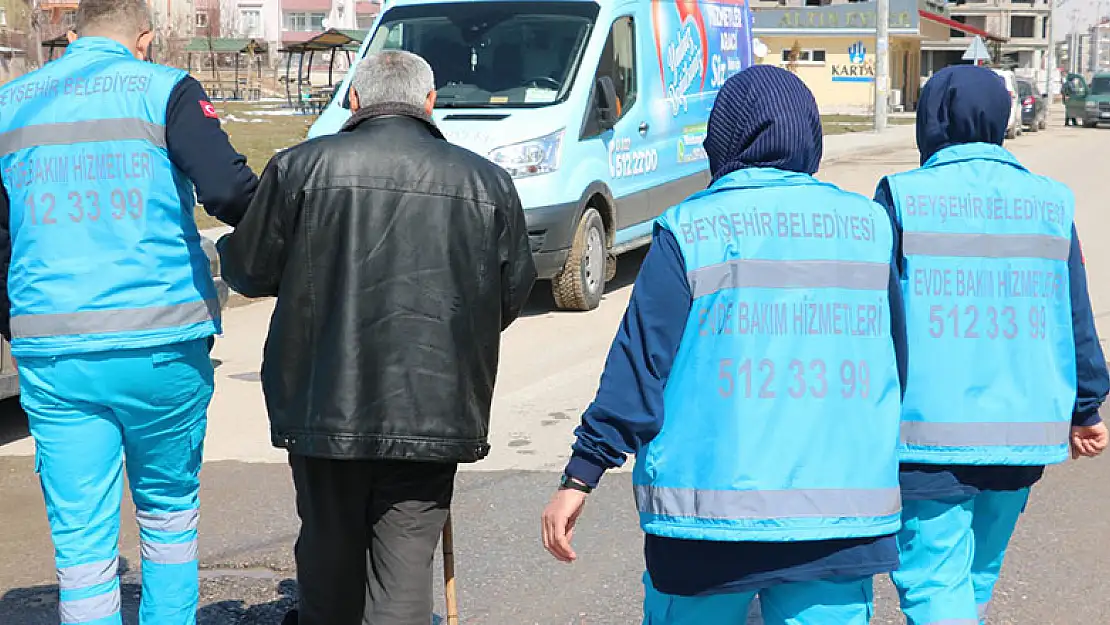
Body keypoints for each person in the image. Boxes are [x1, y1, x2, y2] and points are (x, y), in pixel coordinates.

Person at [540, 65, 908, 624]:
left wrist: (581, 475)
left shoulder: (690, 229)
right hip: (841, 520)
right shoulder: (870, 227)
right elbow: (896, 363)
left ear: (724, 139)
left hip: (708, 526)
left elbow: (640, 368)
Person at [217, 50, 536, 625]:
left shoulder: (299, 167)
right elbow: (510, 297)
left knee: (328, 559)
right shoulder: (486, 181)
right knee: (403, 573)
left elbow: (248, 271)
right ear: (430, 102)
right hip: (435, 411)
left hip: (322, 404)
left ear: (355, 100)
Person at [0, 0, 258, 622]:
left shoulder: (11, 101)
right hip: (161, 340)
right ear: (143, 37)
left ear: (71, 32)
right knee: (168, 510)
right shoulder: (166, 90)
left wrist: (15, 320)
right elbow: (228, 191)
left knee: (81, 536)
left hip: (53, 344)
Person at [873, 65, 1110, 625]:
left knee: (934, 581)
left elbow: (875, 315)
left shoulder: (904, 197)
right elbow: (1074, 309)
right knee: (977, 574)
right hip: (1023, 434)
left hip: (929, 436)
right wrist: (1087, 406)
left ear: (931, 120)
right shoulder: (1051, 202)